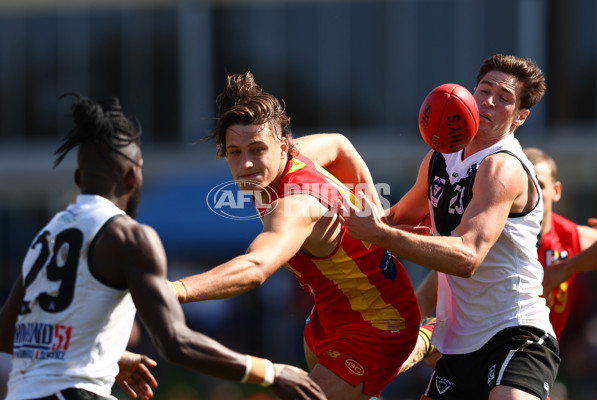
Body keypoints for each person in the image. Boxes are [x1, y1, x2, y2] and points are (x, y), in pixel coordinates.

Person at [0, 93, 326, 400]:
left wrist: (109, 356)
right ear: (133, 178)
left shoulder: (48, 235)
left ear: (78, 178)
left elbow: (6, 333)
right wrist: (270, 372)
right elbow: (176, 342)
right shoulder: (129, 236)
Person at [167, 72, 422, 400]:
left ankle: (425, 336)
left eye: (257, 149)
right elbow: (341, 145)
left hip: (379, 325)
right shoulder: (297, 157)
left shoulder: (293, 207)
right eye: (235, 152)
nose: (246, 163)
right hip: (328, 316)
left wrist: (173, 290)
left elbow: (255, 267)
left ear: (282, 147)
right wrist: (376, 217)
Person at [336, 54, 560, 400]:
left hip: (516, 332)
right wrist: (331, 223)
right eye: (484, 90)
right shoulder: (441, 155)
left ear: (520, 118)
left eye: (504, 98)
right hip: (459, 341)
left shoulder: (503, 167)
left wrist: (381, 234)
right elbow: (395, 219)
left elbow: (467, 257)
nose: (488, 101)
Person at [523, 147, 597, 336]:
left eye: (539, 185)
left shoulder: (570, 236)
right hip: (491, 353)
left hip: (546, 353)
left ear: (556, 191)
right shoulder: (492, 236)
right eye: (523, 186)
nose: (531, 195)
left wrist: (565, 267)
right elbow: (437, 293)